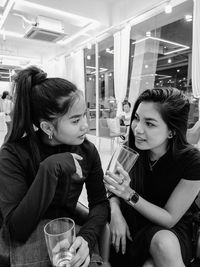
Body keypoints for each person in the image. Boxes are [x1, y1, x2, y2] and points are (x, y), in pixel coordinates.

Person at [0, 66, 109, 267]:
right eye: (76, 120)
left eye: (84, 115)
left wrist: (86, 238)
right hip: (26, 239)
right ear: (48, 127)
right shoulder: (12, 154)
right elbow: (17, 229)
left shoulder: (87, 151)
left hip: (69, 234)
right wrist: (49, 168)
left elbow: (100, 203)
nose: (85, 125)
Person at [104, 87, 200, 267]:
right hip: (134, 224)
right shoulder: (129, 149)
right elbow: (111, 188)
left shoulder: (192, 162)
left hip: (171, 229)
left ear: (171, 131)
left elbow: (170, 218)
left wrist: (129, 195)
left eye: (150, 123)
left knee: (163, 244)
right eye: (137, 119)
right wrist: (116, 212)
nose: (137, 129)